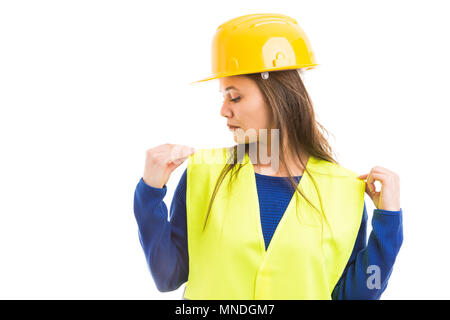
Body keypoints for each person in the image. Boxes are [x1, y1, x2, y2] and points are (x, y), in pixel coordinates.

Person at [133, 13, 403, 300]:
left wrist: (389, 221)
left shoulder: (344, 189)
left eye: (234, 97)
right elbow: (167, 276)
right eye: (223, 97)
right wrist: (149, 193)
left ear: (278, 96)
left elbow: (357, 295)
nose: (224, 110)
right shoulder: (203, 173)